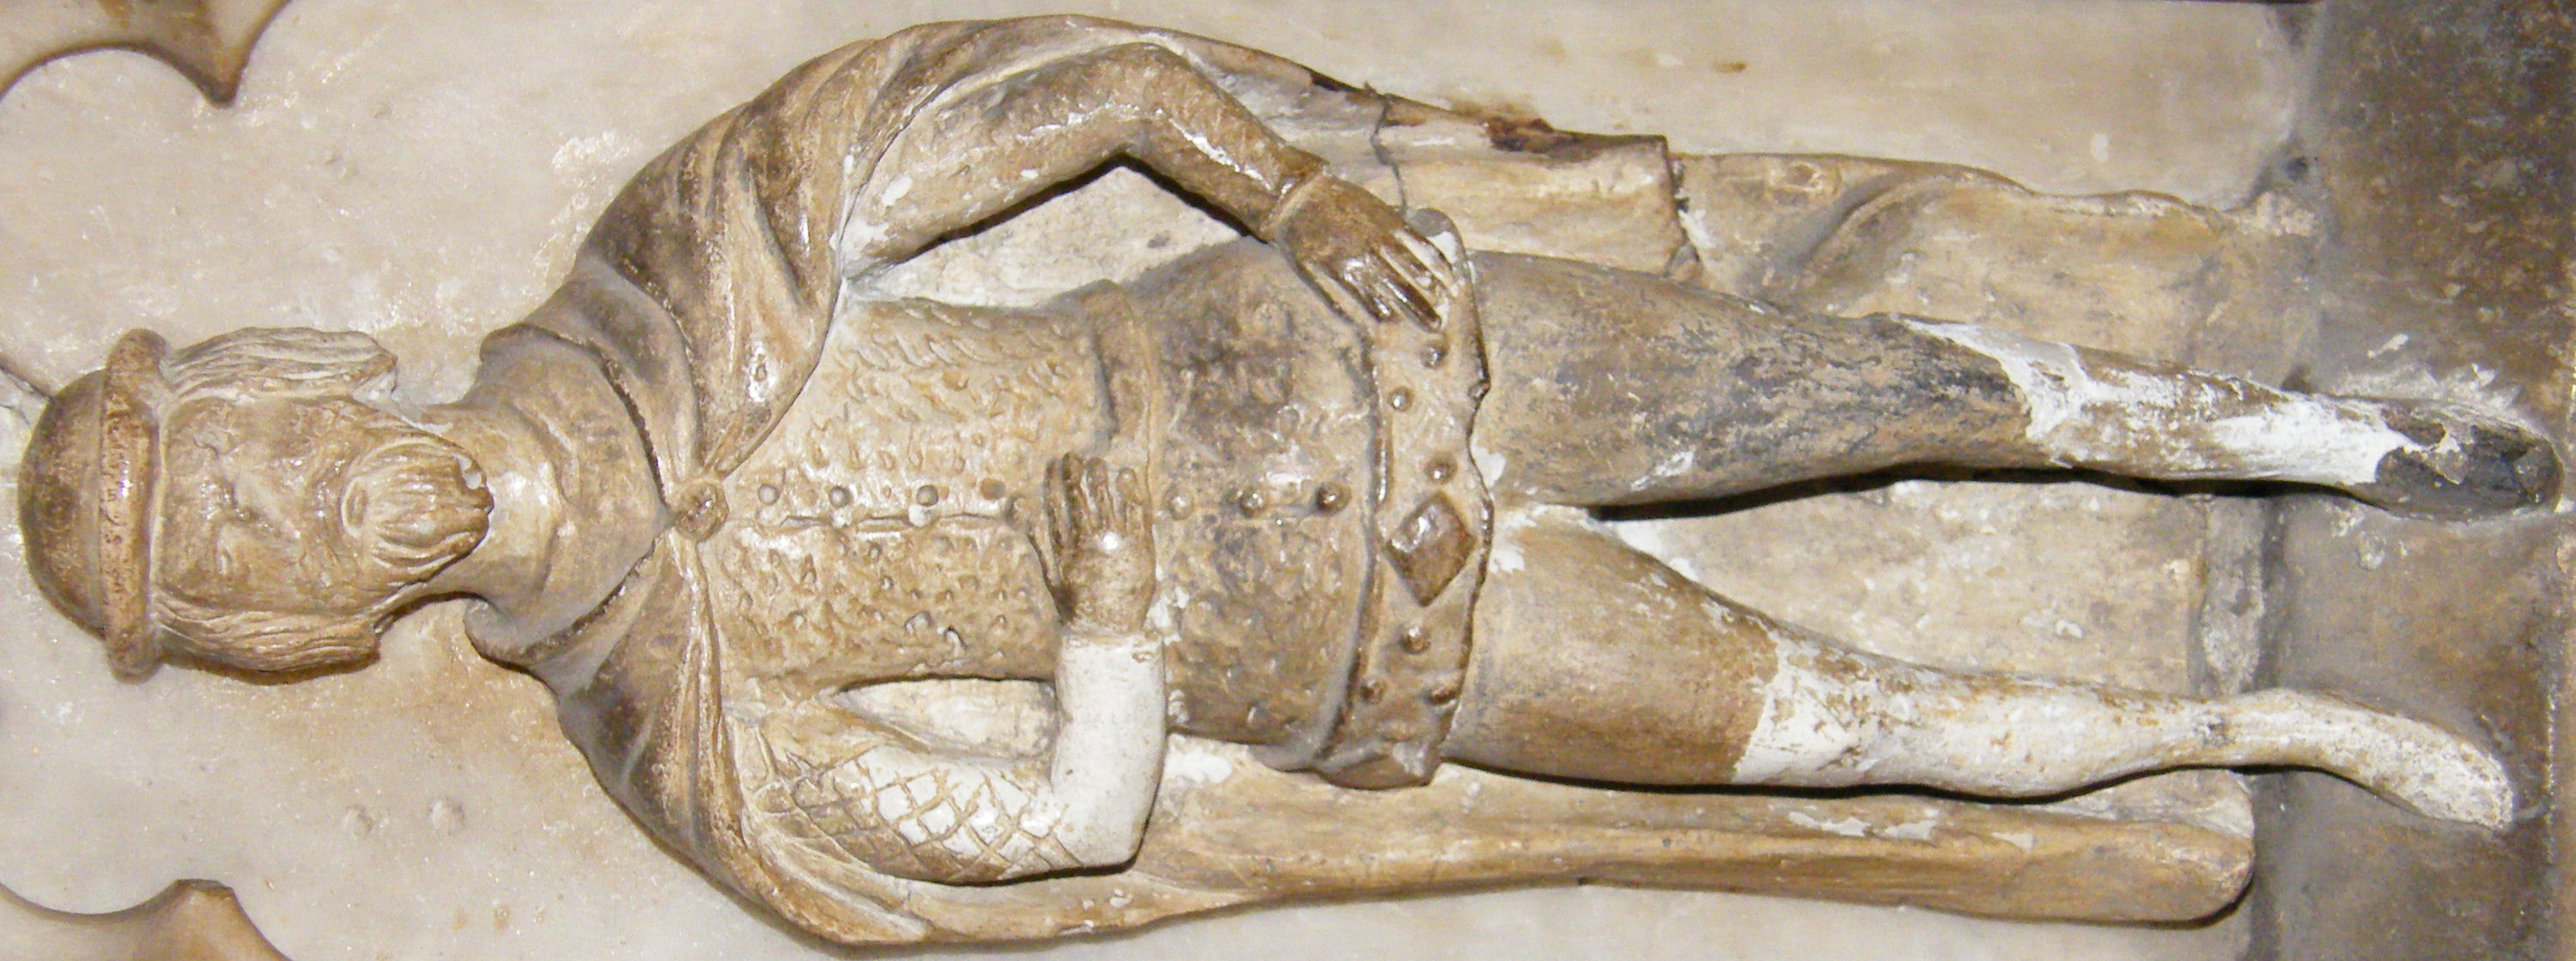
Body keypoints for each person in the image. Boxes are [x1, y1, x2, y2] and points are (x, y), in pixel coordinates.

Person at [16, 14, 2555, 944]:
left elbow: (1084, 94)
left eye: (270, 472)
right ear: (302, 647)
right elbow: (1056, 835)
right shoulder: (682, 730)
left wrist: (1309, 196)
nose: (326, 520)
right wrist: (1108, 631)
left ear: (303, 382)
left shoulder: (695, 262)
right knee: (1860, 727)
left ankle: (2332, 436)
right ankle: (2278, 739)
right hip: (1379, 656)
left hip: (1358, 364)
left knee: (1903, 383)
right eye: (260, 566)